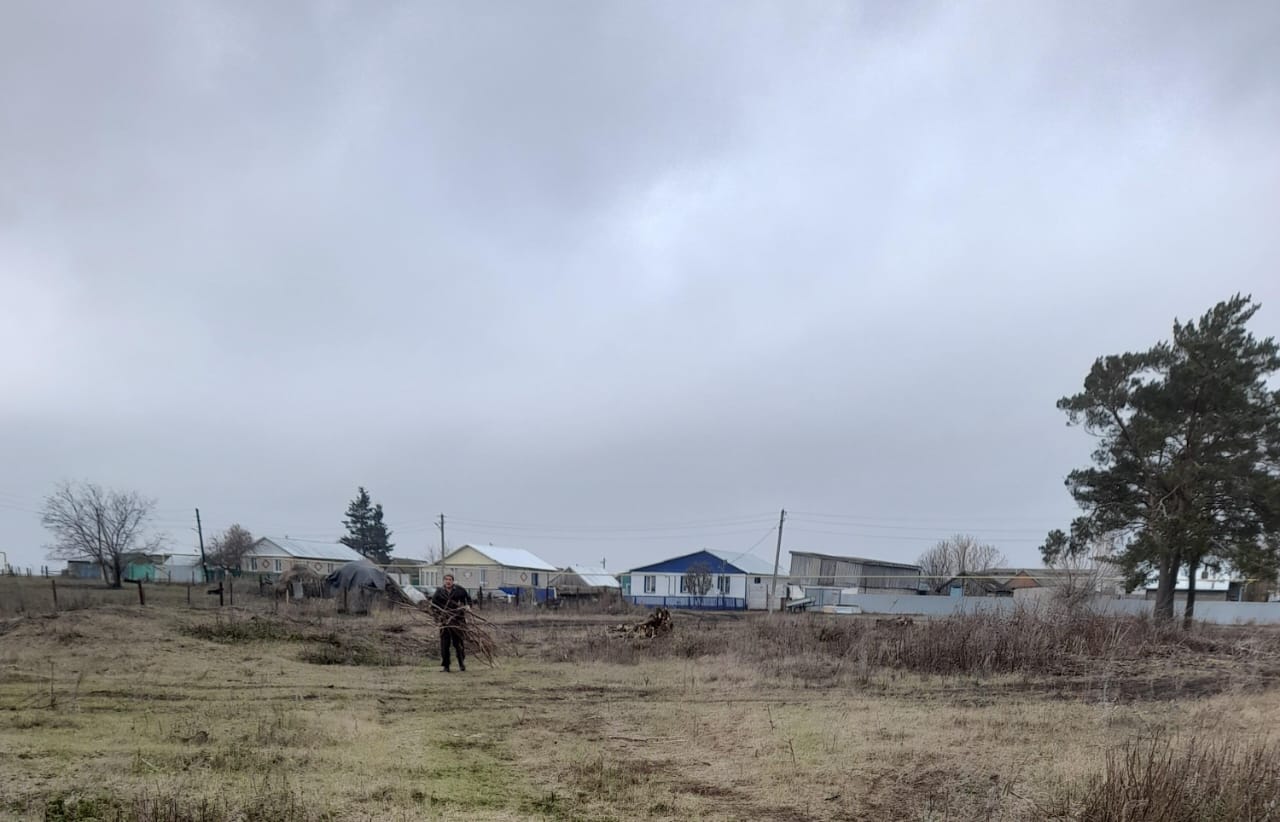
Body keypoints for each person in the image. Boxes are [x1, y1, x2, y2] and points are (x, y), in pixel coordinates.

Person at [431, 573, 472, 672]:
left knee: (458, 643)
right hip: (444, 622)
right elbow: (433, 606)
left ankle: (461, 664)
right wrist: (437, 618)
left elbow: (468, 600)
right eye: (446, 579)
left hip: (458, 620)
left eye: (450, 579)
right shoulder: (439, 591)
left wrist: (468, 606)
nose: (448, 581)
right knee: (445, 644)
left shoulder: (459, 590)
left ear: (453, 581)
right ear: (444, 581)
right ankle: (446, 666)